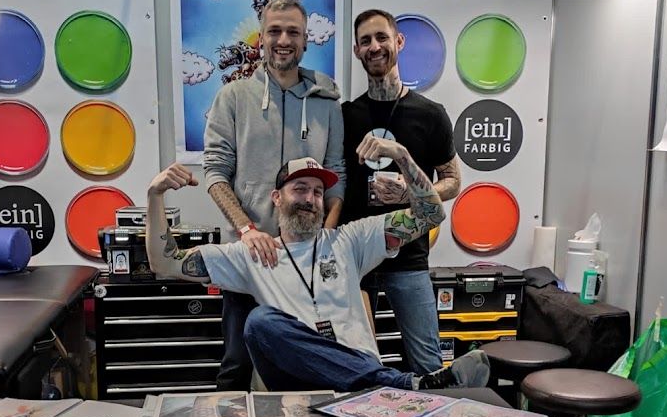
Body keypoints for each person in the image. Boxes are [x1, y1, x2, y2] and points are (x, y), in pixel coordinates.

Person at [145, 151, 488, 394]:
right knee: (260, 322)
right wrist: (155, 195)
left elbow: (431, 216)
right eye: (300, 189)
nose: (310, 198)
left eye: (318, 191)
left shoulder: (351, 239)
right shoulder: (254, 253)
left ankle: (389, 384)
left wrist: (401, 155)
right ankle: (403, 385)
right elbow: (166, 262)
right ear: (277, 198)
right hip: (298, 379)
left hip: (359, 372)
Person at [202, 0, 345, 390]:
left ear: (306, 40)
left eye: (293, 32)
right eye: (275, 31)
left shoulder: (327, 103)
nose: (284, 40)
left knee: (309, 366)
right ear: (261, 38)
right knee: (235, 365)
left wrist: (328, 237)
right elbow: (215, 173)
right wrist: (247, 230)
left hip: (307, 261)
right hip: (250, 257)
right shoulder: (232, 97)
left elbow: (337, 173)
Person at [343, 9, 462, 375]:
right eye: (366, 41)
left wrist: (410, 192)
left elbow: (453, 181)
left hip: (408, 255)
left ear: (399, 41)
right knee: (359, 364)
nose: (375, 47)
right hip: (357, 258)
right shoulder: (345, 115)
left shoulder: (430, 114)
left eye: (382, 37)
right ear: (356, 50)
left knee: (428, 363)